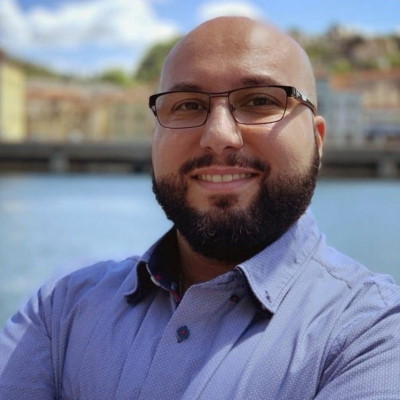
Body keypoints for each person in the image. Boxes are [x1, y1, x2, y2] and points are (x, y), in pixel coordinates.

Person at [1, 16, 399, 400]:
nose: (218, 135)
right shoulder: (61, 310)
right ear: (154, 139)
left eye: (260, 100)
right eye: (188, 105)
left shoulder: (374, 333)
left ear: (317, 140)